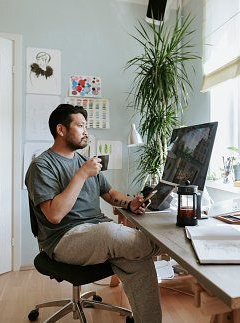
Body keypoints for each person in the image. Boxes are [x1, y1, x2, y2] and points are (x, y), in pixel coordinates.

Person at [25, 104, 162, 323]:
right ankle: (167, 245)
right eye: (80, 126)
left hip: (97, 232)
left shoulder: (86, 163)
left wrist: (130, 203)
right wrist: (81, 175)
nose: (86, 131)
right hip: (64, 239)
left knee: (139, 261)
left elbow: (110, 193)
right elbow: (54, 215)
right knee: (112, 233)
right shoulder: (42, 166)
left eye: (86, 126)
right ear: (61, 130)